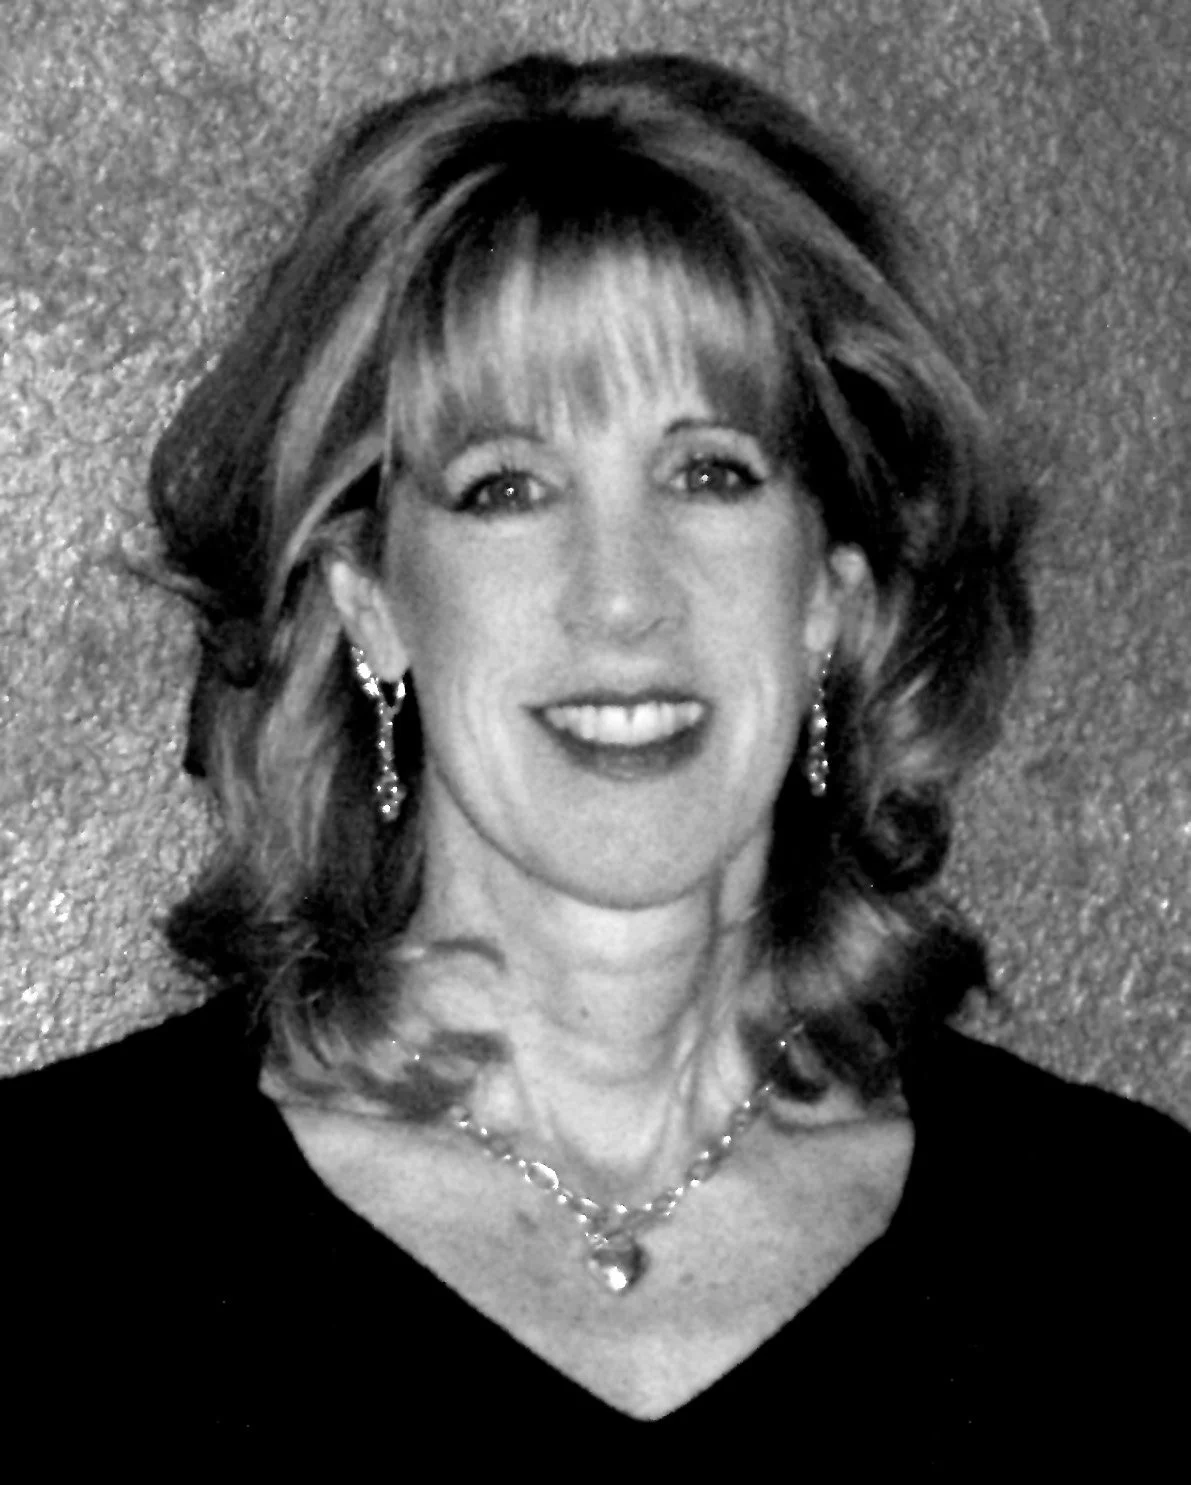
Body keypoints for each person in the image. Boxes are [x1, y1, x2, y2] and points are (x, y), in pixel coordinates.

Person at [4, 52, 1188, 1463]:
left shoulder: (1133, 1266)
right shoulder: (45, 1255)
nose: (620, 596)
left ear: (834, 588)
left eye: (709, 474)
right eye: (507, 487)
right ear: (367, 597)